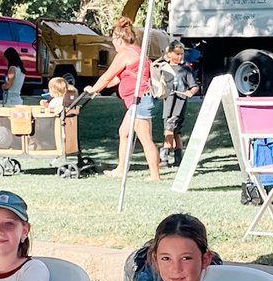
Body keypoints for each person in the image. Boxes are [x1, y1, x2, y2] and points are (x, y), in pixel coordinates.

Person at [84, 17, 160, 181]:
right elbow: (120, 77)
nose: (113, 43)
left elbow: (107, 76)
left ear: (119, 39)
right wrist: (101, 89)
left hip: (140, 99)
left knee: (145, 138)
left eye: (113, 39)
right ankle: (121, 169)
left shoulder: (124, 54)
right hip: (137, 100)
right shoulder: (137, 51)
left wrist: (94, 88)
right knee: (124, 132)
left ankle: (155, 175)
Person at [158, 40, 199, 168]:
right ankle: (178, 159)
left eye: (181, 54)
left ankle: (164, 158)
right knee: (176, 133)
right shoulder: (163, 68)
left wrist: (190, 92)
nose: (180, 56)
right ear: (169, 54)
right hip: (168, 105)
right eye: (177, 54)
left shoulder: (185, 69)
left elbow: (194, 86)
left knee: (168, 130)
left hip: (179, 106)